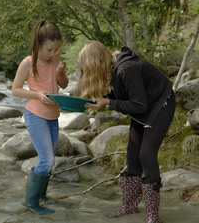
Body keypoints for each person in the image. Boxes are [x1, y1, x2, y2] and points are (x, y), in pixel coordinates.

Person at [75, 40, 175, 223]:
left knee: (146, 154)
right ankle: (129, 206)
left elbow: (139, 104)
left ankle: (153, 216)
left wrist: (108, 103)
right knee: (132, 155)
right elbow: (126, 97)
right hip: (144, 108)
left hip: (161, 103)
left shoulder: (126, 69)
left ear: (99, 60)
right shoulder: (113, 68)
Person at [12, 20, 69, 214]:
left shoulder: (54, 60)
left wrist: (60, 73)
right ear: (38, 45)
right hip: (36, 115)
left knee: (49, 159)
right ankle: (31, 202)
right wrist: (37, 94)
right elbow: (15, 90)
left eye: (56, 50)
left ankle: (42, 195)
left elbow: (64, 85)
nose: (53, 54)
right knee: (46, 160)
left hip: (52, 115)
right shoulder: (28, 63)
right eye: (49, 50)